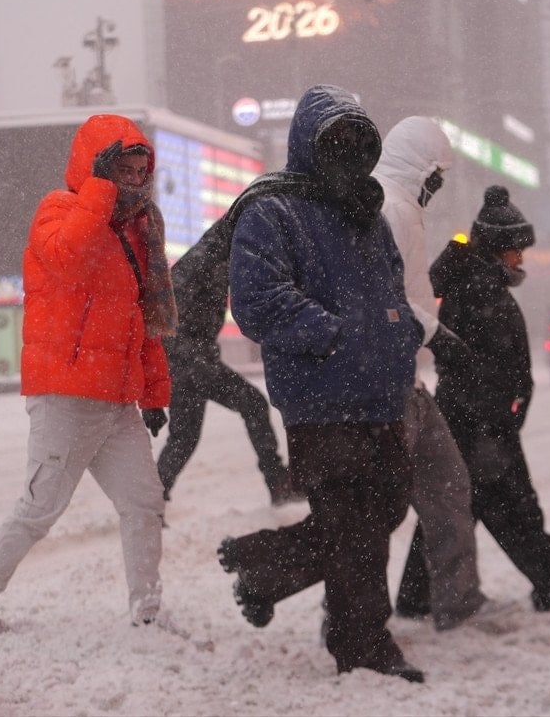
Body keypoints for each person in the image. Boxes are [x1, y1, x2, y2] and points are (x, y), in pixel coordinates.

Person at [217, 85, 426, 682]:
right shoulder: (273, 210)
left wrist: (400, 336)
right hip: (320, 398)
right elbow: (257, 301)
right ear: (308, 144)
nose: (348, 152)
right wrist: (335, 335)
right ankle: (363, 646)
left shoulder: (366, 211)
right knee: (355, 526)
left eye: (359, 141)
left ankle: (266, 566)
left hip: (380, 395)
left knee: (381, 511)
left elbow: (391, 291)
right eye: (336, 140)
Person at [0, 114, 176, 632]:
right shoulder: (59, 209)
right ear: (97, 166)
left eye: (141, 170)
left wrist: (153, 393)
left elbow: (142, 321)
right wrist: (98, 189)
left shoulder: (138, 230)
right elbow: (69, 260)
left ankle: (147, 613)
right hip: (66, 395)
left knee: (144, 503)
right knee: (40, 508)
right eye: (124, 168)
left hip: (116, 401)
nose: (135, 179)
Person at [428, 185, 550, 616]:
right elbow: (475, 366)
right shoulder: (478, 291)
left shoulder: (477, 285)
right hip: (481, 426)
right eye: (515, 250)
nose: (521, 258)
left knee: (456, 513)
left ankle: (418, 600)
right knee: (513, 513)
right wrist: (495, 421)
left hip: (476, 421)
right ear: (495, 249)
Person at [374, 116, 513, 630]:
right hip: (386, 385)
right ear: (420, 167)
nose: (438, 185)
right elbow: (387, 297)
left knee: (448, 486)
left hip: (404, 380)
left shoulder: (401, 207)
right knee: (375, 509)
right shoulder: (391, 210)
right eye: (437, 174)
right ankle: (345, 613)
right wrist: (438, 336)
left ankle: (457, 600)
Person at [157, 220, 304, 506]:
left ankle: (151, 503)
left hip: (187, 361)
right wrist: (192, 358)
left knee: (184, 438)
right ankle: (277, 482)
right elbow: (171, 317)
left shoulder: (215, 255)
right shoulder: (204, 261)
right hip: (190, 361)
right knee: (253, 405)